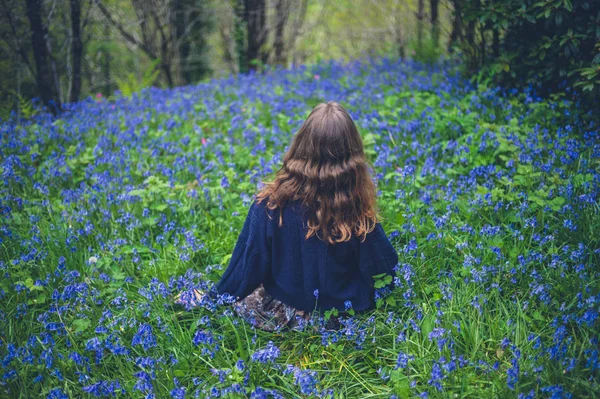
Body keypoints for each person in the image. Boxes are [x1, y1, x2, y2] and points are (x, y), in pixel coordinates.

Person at [177, 102, 398, 332]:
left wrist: (213, 300)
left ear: (301, 146)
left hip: (286, 313)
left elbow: (245, 268)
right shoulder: (357, 210)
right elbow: (383, 270)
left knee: (248, 294)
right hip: (341, 317)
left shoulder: (270, 204)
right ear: (352, 157)